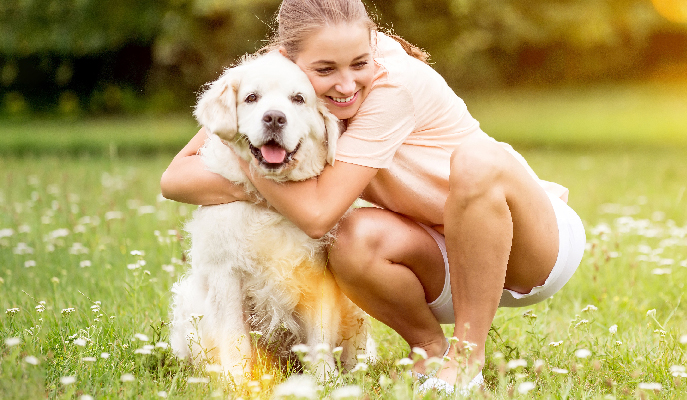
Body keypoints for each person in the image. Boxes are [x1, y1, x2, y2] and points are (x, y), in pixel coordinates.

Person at [160, 0, 586, 391]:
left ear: (371, 49)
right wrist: (249, 142)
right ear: (289, 59)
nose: (346, 85)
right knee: (350, 237)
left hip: (530, 247)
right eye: (325, 71)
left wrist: (246, 151)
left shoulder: (392, 86)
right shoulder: (278, 87)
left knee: (476, 161)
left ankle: (466, 362)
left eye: (359, 63)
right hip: (442, 253)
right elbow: (177, 176)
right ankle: (429, 352)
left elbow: (315, 215)